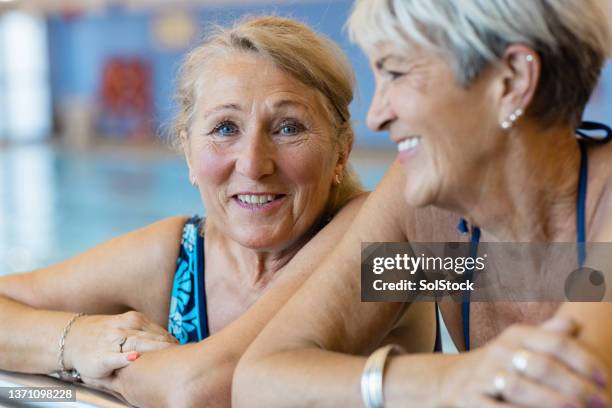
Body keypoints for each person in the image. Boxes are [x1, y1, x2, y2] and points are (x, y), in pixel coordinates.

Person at [0, 16, 413, 407]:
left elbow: (207, 388)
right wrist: (79, 341)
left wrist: (97, 367)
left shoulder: (385, 244)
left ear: (341, 152)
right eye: (225, 129)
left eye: (288, 128)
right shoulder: (176, 255)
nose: (253, 164)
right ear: (189, 154)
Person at [233, 1, 612, 407]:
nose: (375, 116)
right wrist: (444, 380)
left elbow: (560, 395)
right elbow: (260, 382)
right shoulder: (427, 215)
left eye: (396, 73)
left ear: (513, 79)